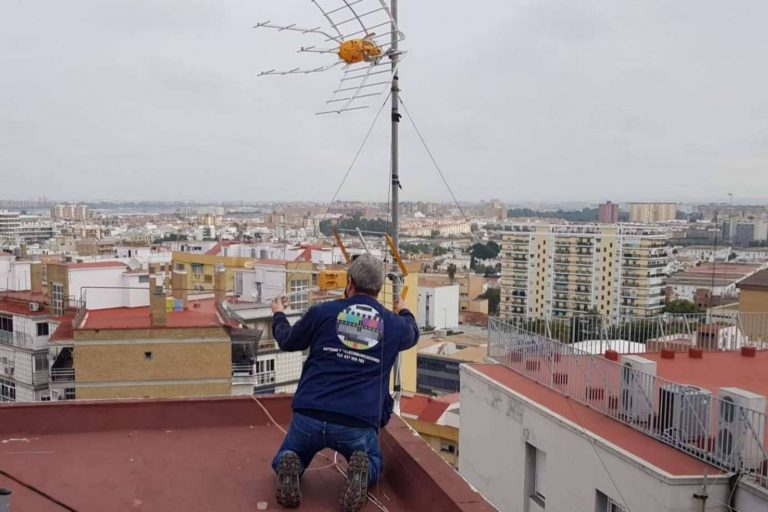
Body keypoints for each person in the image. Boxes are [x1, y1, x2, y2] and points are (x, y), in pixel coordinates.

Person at [270, 254, 419, 511]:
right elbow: (413, 332)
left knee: (290, 453)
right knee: (373, 460)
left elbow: (287, 340)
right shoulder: (392, 325)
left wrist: (278, 314)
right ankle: (361, 471)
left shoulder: (322, 313)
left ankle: (290, 461)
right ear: (379, 287)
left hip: (310, 414)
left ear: (349, 282)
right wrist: (403, 309)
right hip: (357, 423)